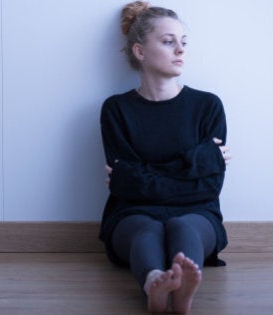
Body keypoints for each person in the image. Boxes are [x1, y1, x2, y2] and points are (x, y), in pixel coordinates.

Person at [98, 1, 231, 313]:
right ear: (140, 51)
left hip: (199, 214)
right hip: (131, 215)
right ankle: (154, 283)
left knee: (181, 227)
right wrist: (194, 163)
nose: (180, 50)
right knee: (150, 229)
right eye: (169, 42)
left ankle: (183, 288)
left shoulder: (208, 107)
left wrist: (140, 176)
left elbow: (208, 188)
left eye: (183, 43)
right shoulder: (117, 110)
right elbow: (124, 189)